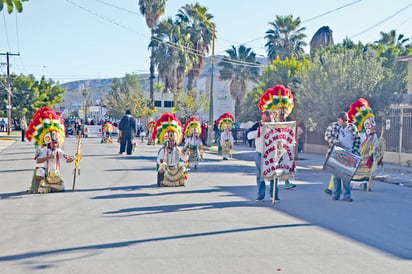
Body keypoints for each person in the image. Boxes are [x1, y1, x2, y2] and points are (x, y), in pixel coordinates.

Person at [247, 85, 298, 203]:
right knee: (260, 176)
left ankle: (274, 195)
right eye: (266, 119)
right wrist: (259, 131)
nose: (267, 121)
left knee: (273, 176)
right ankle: (260, 195)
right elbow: (249, 136)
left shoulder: (276, 126)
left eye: (269, 119)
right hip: (260, 154)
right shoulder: (258, 125)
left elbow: (283, 139)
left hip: (273, 155)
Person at [25, 106, 74, 193]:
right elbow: (38, 161)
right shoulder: (44, 150)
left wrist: (74, 159)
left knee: (60, 185)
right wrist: (49, 157)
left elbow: (66, 159)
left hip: (54, 173)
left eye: (56, 143)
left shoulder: (59, 151)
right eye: (53, 143)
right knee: (39, 170)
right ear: (49, 142)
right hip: (45, 172)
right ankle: (36, 187)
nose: (55, 145)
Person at [324, 111, 360, 202]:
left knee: (346, 175)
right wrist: (336, 142)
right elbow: (327, 136)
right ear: (338, 120)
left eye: (346, 121)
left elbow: (357, 139)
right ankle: (336, 194)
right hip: (336, 153)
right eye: (343, 121)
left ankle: (346, 195)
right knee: (336, 175)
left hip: (349, 154)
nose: (345, 122)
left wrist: (355, 151)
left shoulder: (352, 127)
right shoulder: (333, 126)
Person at [154, 113, 189, 187]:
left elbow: (184, 158)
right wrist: (161, 161)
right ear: (167, 142)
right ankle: (161, 181)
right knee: (161, 168)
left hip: (175, 169)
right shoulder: (163, 150)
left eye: (172, 141)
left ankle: (180, 181)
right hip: (167, 169)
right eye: (169, 141)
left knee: (183, 168)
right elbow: (159, 159)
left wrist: (186, 154)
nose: (171, 143)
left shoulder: (177, 149)